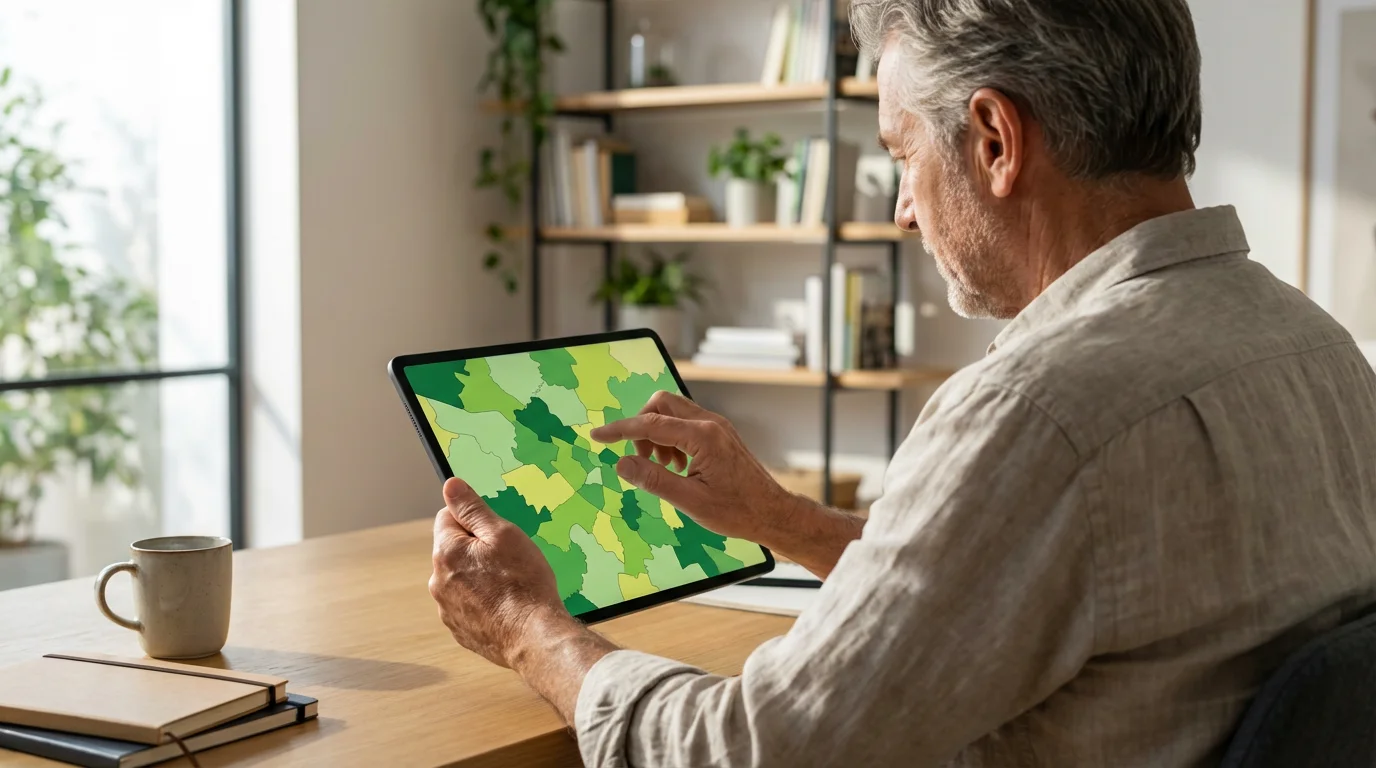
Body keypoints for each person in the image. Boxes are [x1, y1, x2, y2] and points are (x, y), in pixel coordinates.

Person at [427, 0, 1376, 764]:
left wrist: (532, 632)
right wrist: (782, 519)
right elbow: (1024, 587)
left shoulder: (1038, 413)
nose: (903, 209)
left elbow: (759, 753)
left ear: (996, 140)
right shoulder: (1316, 347)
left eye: (900, 153)